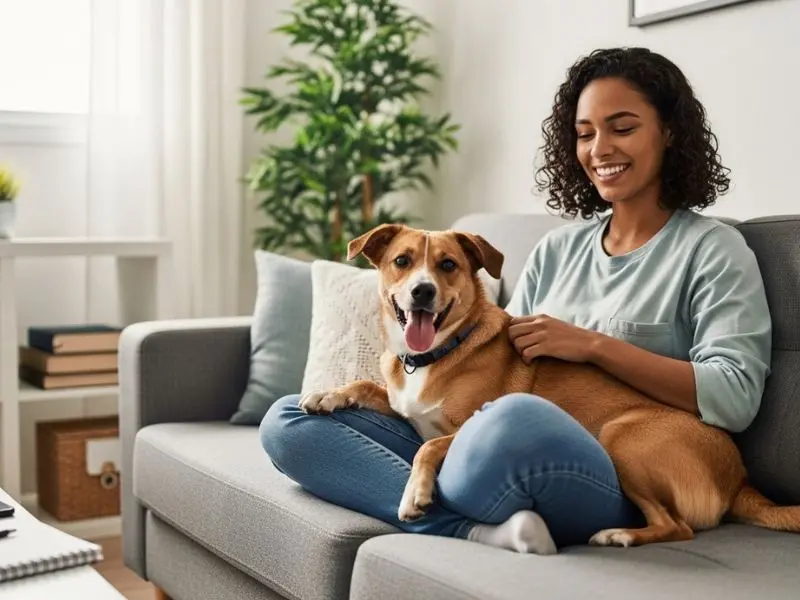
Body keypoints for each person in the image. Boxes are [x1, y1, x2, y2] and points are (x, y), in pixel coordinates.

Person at [258, 47, 772, 554]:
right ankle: (470, 527)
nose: (600, 148)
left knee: (513, 418)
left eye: (622, 128)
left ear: (670, 132)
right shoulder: (557, 249)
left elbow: (736, 396)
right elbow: (500, 359)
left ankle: (469, 510)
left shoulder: (713, 250)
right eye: (585, 133)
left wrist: (593, 346)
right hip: (493, 451)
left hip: (617, 472)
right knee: (291, 422)